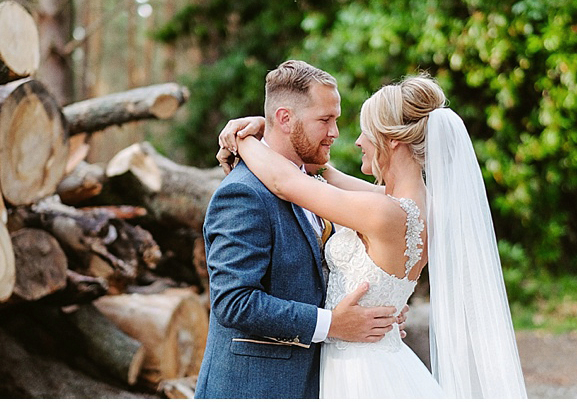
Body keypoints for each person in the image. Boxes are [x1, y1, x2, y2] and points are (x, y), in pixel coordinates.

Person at [216, 71, 527, 399]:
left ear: (393, 140)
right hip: (383, 358)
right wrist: (274, 128)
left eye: (367, 132)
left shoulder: (382, 213)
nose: (357, 141)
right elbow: (322, 173)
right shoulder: (419, 206)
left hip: (358, 372)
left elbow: (286, 183)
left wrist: (241, 138)